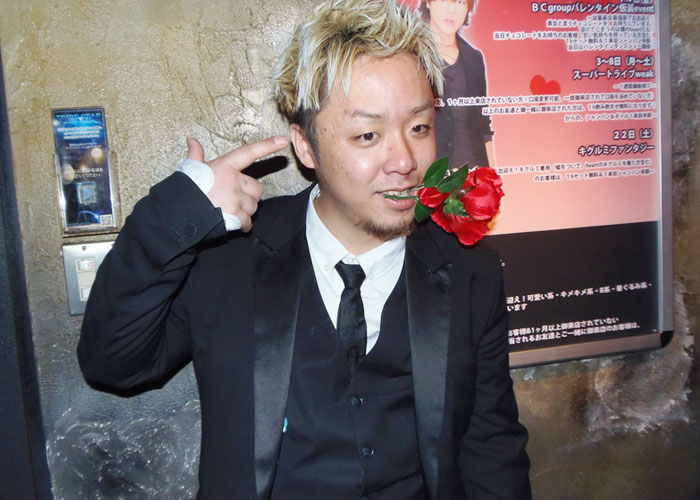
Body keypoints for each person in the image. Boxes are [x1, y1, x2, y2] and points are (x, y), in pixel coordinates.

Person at [78, 0, 530, 498]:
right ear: (306, 146)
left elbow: (492, 451)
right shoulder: (228, 257)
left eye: (419, 127)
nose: (404, 160)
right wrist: (177, 213)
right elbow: (113, 364)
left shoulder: (469, 270)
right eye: (368, 134)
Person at [420, 0, 495, 168]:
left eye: (460, 2)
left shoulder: (473, 57)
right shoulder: (413, 53)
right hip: (435, 174)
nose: (451, 10)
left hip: (475, 170)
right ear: (428, 3)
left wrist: (493, 174)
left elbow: (483, 123)